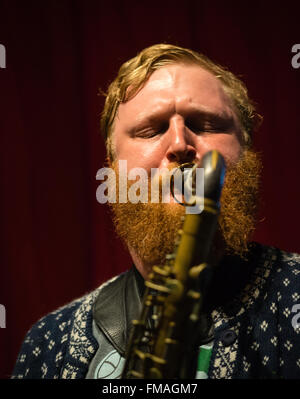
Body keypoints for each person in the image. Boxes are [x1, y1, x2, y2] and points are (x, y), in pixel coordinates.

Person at [12, 44, 300, 379]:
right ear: (113, 170)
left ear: (246, 152)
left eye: (206, 124)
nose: (180, 144)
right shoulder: (49, 344)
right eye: (151, 130)